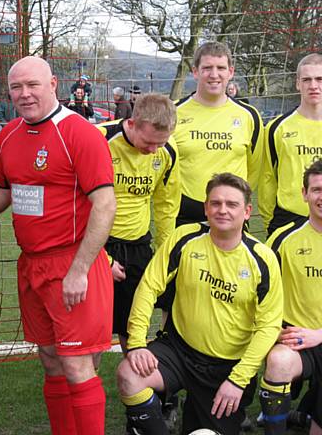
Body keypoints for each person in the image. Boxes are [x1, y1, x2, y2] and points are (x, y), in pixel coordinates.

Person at [0, 56, 117, 435]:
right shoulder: (10, 134)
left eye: (32, 85)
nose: (25, 94)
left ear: (53, 84)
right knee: (49, 359)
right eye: (17, 87)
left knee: (77, 363)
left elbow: (105, 204)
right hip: (31, 265)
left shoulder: (80, 133)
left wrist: (80, 269)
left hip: (71, 264)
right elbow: (4, 190)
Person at [117, 173, 283, 435]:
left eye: (232, 204)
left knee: (202, 432)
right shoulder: (184, 238)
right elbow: (149, 286)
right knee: (129, 374)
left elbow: (268, 326)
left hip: (227, 366)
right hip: (179, 349)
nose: (222, 210)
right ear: (206, 207)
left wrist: (237, 381)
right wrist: (137, 342)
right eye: (215, 203)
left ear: (247, 211)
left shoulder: (263, 259)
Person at [96, 93, 180, 352]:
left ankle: (137, 391)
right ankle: (87, 390)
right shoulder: (98, 140)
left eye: (160, 142)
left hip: (138, 247)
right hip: (97, 245)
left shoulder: (167, 151)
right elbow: (74, 205)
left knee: (133, 330)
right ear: (131, 123)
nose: (154, 149)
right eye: (148, 142)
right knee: (94, 334)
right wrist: (101, 259)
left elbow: (166, 206)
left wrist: (165, 255)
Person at [259, 159, 322, 435]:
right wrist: (274, 332)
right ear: (304, 194)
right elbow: (260, 292)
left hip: (319, 336)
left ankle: (308, 417)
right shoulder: (283, 239)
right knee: (279, 362)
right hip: (297, 340)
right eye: (317, 189)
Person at [174, 41, 263, 226]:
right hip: (184, 211)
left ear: (231, 72)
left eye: (220, 68)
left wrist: (238, 197)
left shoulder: (249, 116)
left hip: (231, 210)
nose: (214, 75)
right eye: (207, 68)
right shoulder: (174, 112)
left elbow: (255, 167)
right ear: (195, 71)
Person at [259, 53, 322, 235]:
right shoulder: (276, 128)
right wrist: (269, 221)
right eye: (307, 80)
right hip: (289, 219)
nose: (313, 86)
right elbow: (267, 178)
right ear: (297, 84)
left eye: (319, 79)